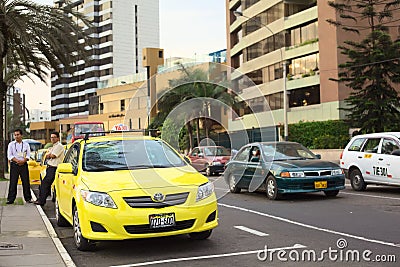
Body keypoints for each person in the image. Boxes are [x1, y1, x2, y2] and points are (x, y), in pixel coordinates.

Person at [34, 132, 65, 206]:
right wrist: (48, 155)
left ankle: (41, 201)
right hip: (50, 167)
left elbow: (53, 155)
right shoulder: (53, 146)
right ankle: (41, 199)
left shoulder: (59, 146)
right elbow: (47, 155)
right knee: (44, 185)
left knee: (45, 184)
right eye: (51, 137)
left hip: (54, 168)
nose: (52, 139)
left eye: (54, 137)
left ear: (58, 138)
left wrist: (49, 155)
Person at [7, 129, 32, 204]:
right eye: (15, 135)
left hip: (23, 165)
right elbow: (10, 155)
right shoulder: (11, 144)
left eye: (18, 135)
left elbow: (28, 155)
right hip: (14, 165)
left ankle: (28, 198)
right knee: (13, 182)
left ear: (21, 135)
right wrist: (17, 161)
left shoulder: (26, 144)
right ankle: (11, 199)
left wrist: (23, 161)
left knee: (25, 182)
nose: (16, 136)